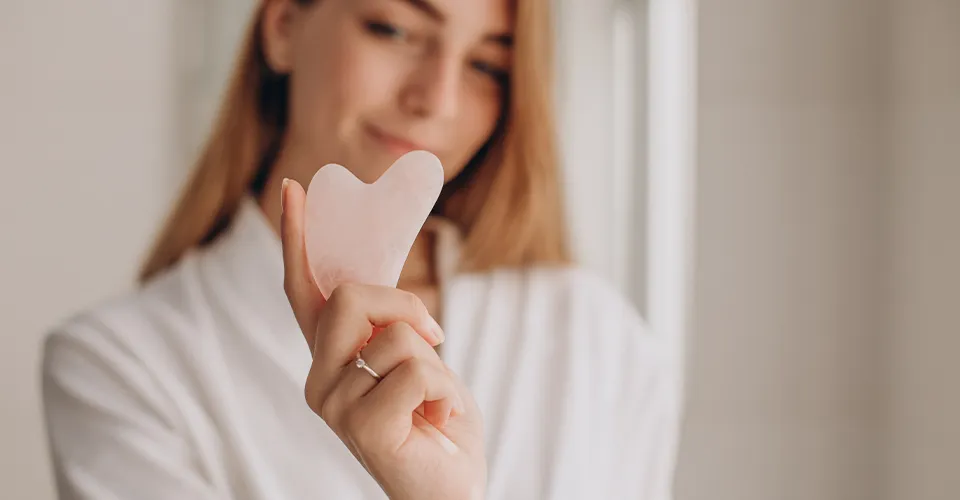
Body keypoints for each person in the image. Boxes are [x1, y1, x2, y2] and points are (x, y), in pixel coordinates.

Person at [41, 0, 680, 498]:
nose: (438, 100)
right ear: (284, 26)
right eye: (394, 30)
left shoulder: (602, 342)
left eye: (487, 65)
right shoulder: (118, 365)